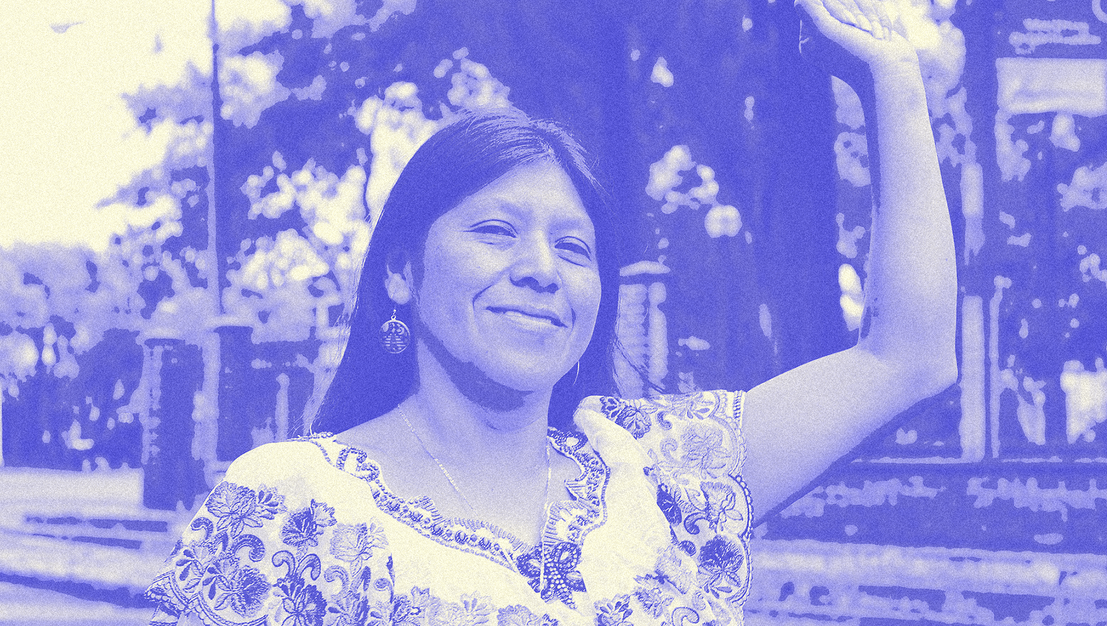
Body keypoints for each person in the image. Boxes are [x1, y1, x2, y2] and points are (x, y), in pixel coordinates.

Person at [145, 0, 957, 623]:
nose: (541, 270)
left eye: (573, 248)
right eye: (495, 231)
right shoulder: (293, 506)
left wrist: (893, 80)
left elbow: (907, 357)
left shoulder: (664, 475)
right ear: (400, 271)